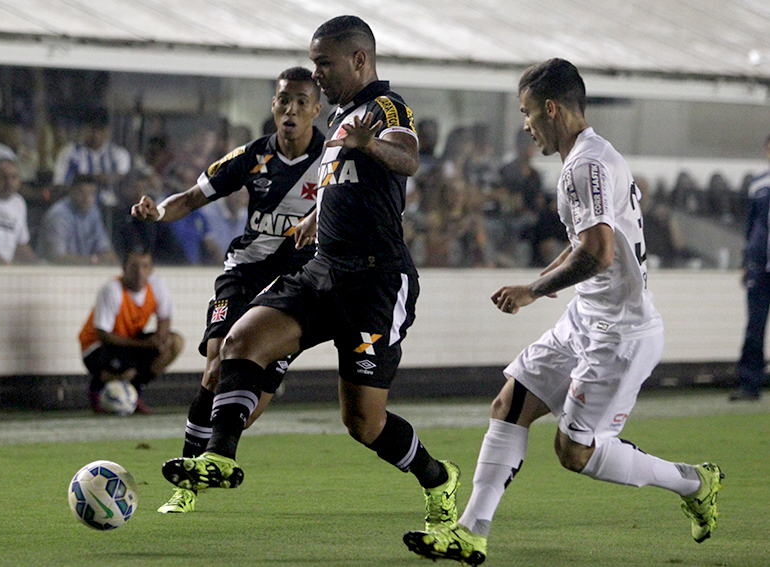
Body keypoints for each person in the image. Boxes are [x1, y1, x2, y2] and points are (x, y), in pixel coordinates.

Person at [403, 59, 723, 566]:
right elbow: (586, 244)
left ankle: (693, 482)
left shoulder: (584, 167)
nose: (526, 125)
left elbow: (598, 253)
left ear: (551, 108)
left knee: (574, 452)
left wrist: (533, 291)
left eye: (527, 113)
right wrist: (538, 284)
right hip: (586, 318)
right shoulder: (593, 157)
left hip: (618, 335)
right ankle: (471, 532)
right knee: (509, 403)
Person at [159, 15, 460, 534]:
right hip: (323, 271)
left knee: (363, 422)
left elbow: (408, 159)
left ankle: (438, 478)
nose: (316, 73)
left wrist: (370, 144)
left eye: (324, 63)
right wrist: (317, 216)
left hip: (375, 282)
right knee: (240, 341)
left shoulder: (386, 107)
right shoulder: (341, 116)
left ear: (359, 60)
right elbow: (346, 184)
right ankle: (219, 458)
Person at [132, 66, 325, 513]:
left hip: (295, 286)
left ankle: (215, 454)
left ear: (316, 109)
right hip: (245, 272)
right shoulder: (252, 156)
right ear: (273, 105)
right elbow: (190, 198)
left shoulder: (333, 160)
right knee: (216, 366)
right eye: (283, 100)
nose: (291, 110)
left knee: (247, 411)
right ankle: (186, 482)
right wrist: (158, 213)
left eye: (301, 102)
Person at [78, 245, 184, 414]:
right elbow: (103, 335)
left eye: (145, 266)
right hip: (97, 347)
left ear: (151, 269)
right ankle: (98, 387)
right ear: (124, 268)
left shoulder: (157, 285)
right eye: (134, 267)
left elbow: (165, 317)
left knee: (174, 343)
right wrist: (145, 345)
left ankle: (134, 390)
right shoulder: (112, 290)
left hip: (131, 342)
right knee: (126, 370)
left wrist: (160, 339)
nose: (140, 272)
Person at [732, 133, 770, 401]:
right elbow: (751, 226)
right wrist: (746, 261)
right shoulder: (758, 184)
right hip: (759, 266)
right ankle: (749, 384)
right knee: (754, 327)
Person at [36, 174, 118, 265]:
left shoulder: (93, 211)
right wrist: (93, 261)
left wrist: (109, 259)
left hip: (84, 269)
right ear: (71, 191)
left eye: (92, 193)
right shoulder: (58, 215)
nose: (87, 198)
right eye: (82, 192)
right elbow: (57, 258)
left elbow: (105, 249)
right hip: (53, 270)